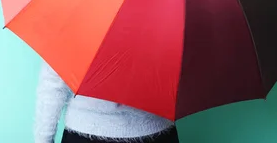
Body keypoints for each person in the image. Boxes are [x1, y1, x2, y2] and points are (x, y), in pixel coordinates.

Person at [34, 61, 179, 143]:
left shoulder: (75, 15)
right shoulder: (172, 13)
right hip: (156, 130)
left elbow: (53, 84)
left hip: (85, 131)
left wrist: (43, 139)